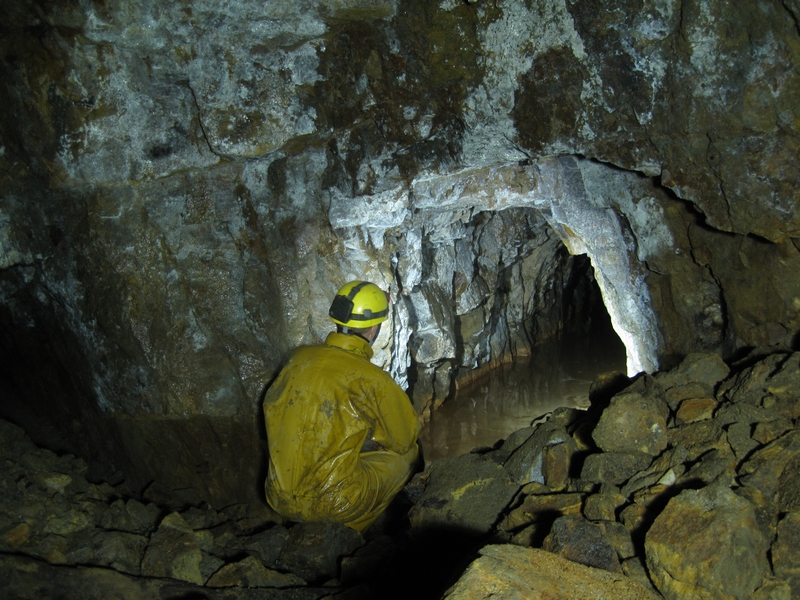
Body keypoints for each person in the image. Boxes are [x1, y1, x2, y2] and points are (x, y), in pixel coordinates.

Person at [263, 280, 422, 533]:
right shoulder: (371, 378)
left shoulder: (297, 359)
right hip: (337, 504)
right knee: (409, 455)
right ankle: (351, 533)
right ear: (373, 329)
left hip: (277, 496)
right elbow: (404, 438)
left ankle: (302, 528)